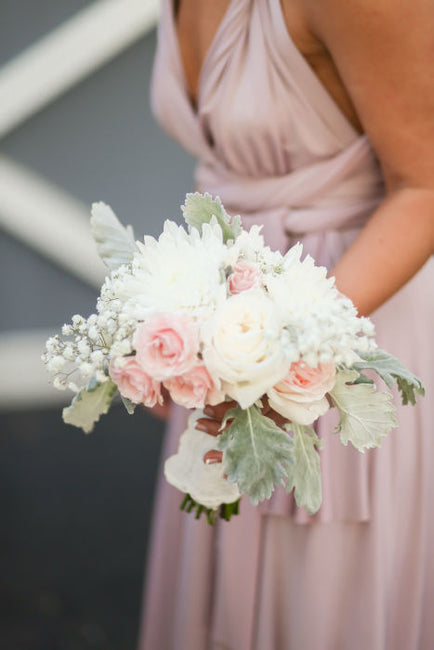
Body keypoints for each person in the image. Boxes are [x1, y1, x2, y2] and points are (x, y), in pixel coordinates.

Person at [138, 1, 434, 648]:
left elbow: (426, 187)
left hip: (345, 322)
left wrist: (269, 352)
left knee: (320, 601)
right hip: (219, 333)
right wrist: (173, 334)